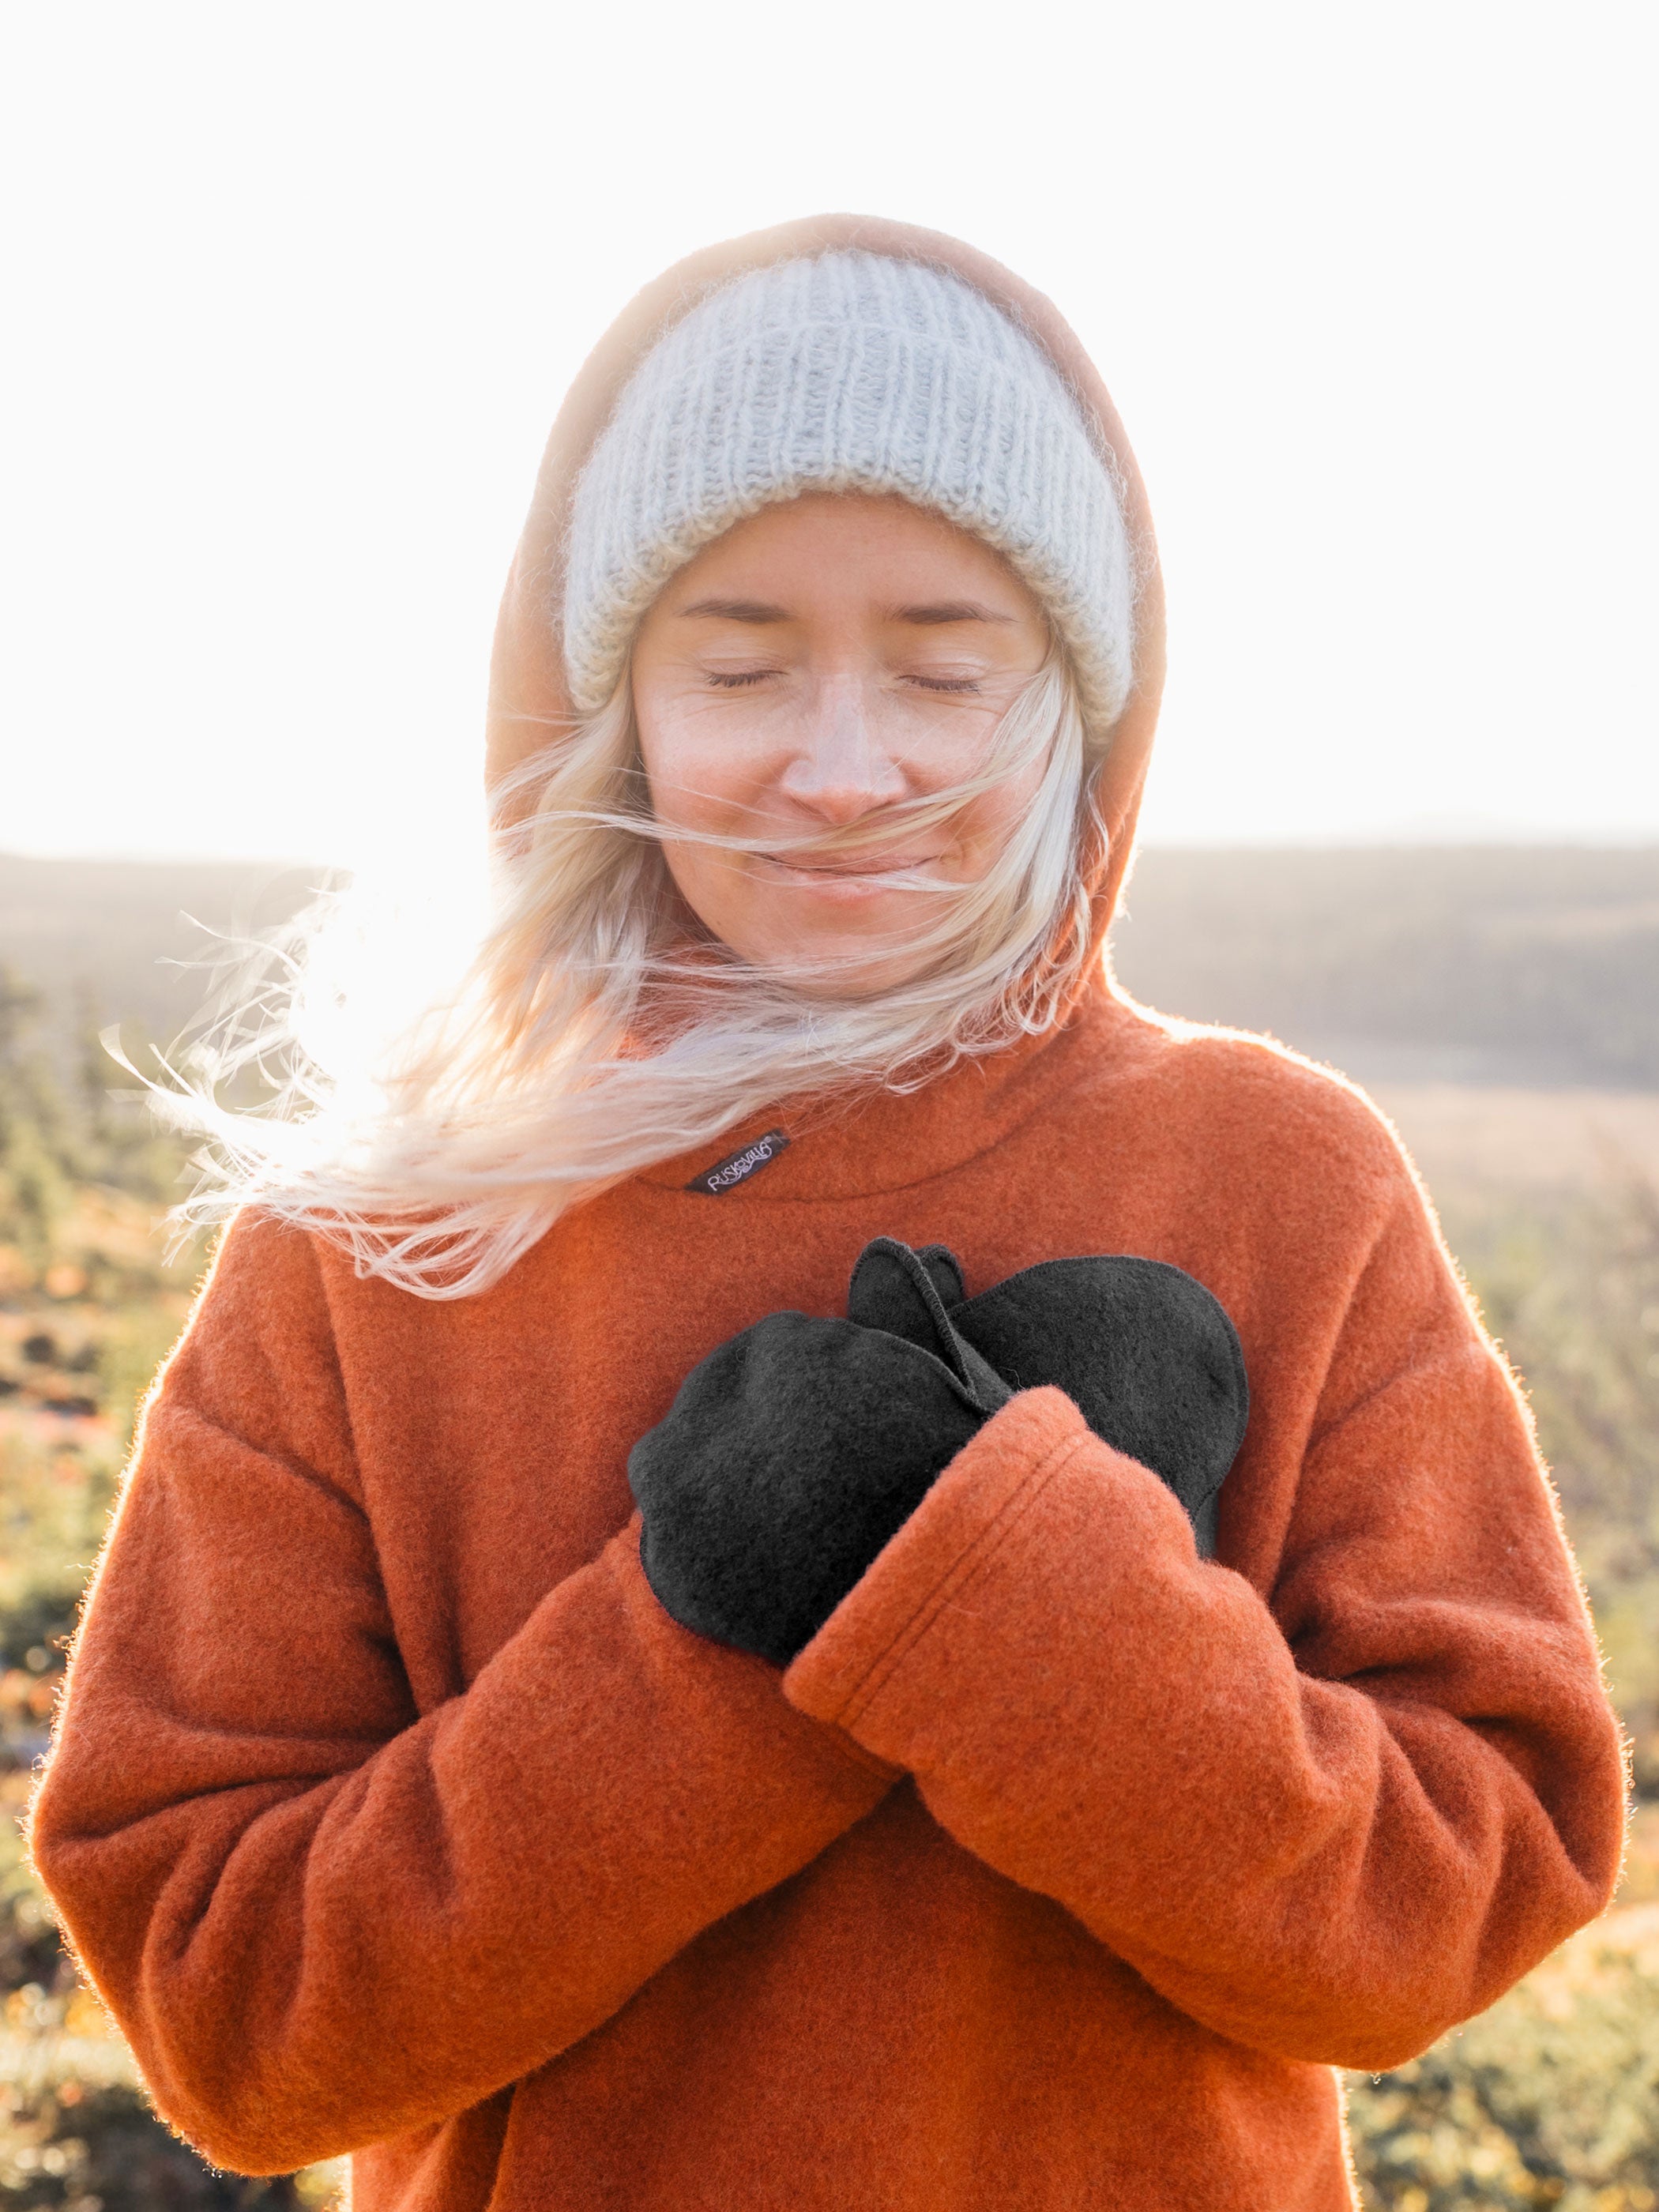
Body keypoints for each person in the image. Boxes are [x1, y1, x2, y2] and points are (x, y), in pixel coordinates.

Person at [28, 215, 1626, 2211]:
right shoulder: (391, 1243)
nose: (846, 767)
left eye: (948, 666)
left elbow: (1466, 1891)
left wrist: (1030, 1603)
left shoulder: (1281, 1181)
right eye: (740, 663)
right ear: (613, 704)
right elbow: (231, 2016)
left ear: (1076, 704)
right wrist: (701, 1635)